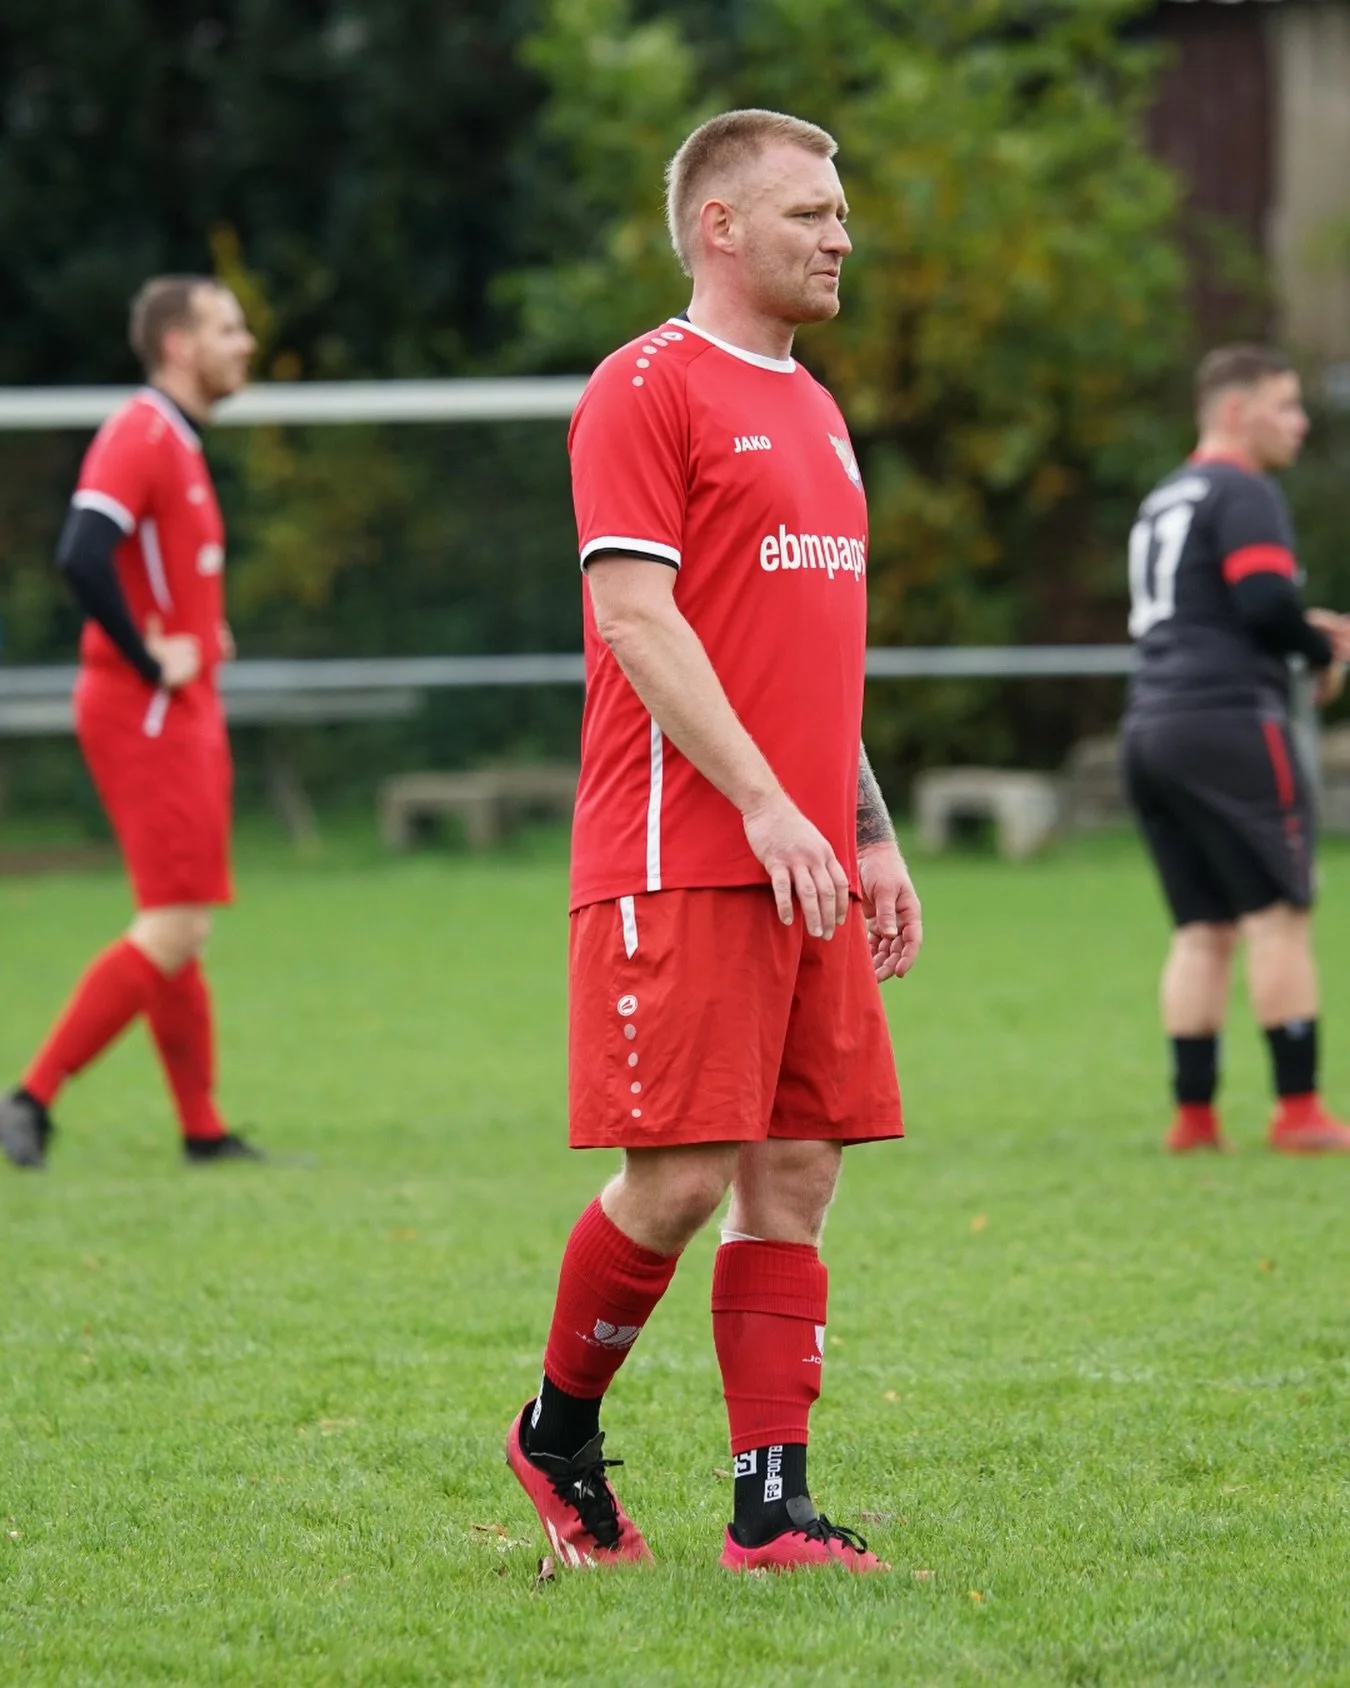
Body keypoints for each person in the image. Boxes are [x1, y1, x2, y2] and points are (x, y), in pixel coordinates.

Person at [504, 109, 922, 1575]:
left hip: (803, 851)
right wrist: (760, 800)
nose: (839, 236)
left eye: (841, 210)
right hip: (681, 848)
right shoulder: (643, 389)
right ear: (719, 227)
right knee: (679, 1178)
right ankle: (556, 1429)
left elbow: (804, 654)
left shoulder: (815, 409)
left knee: (795, 1170)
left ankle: (770, 1506)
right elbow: (636, 620)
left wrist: (859, 826)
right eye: (809, 211)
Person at [0, 276, 262, 1170]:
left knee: (176, 922)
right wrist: (151, 659)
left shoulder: (178, 442)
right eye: (228, 328)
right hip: (145, 710)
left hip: (180, 705)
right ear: (179, 345)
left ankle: (202, 1129)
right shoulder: (141, 432)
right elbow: (81, 552)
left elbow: (157, 572)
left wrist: (197, 631)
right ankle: (29, 1096)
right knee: (176, 925)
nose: (247, 342)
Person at [1122, 344, 1350, 1155]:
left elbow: (1211, 608)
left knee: (1202, 928)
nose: (1300, 423)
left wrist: (1296, 624)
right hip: (1227, 724)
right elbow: (1260, 603)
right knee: (1281, 914)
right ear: (1234, 412)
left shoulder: (1165, 497)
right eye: (1285, 407)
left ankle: (1195, 1117)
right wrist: (1320, 651)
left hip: (1150, 726)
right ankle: (1299, 1111)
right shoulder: (1243, 489)